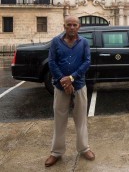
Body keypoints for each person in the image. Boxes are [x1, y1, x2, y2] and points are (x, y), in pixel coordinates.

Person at [44, 15, 94, 167]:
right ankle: (56, 152)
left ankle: (84, 148)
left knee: (81, 119)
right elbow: (52, 62)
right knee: (60, 119)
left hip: (79, 84)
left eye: (74, 25)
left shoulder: (84, 42)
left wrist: (71, 78)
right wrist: (63, 80)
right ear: (64, 26)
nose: (72, 27)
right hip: (60, 86)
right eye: (69, 25)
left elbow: (87, 61)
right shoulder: (56, 42)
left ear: (79, 27)